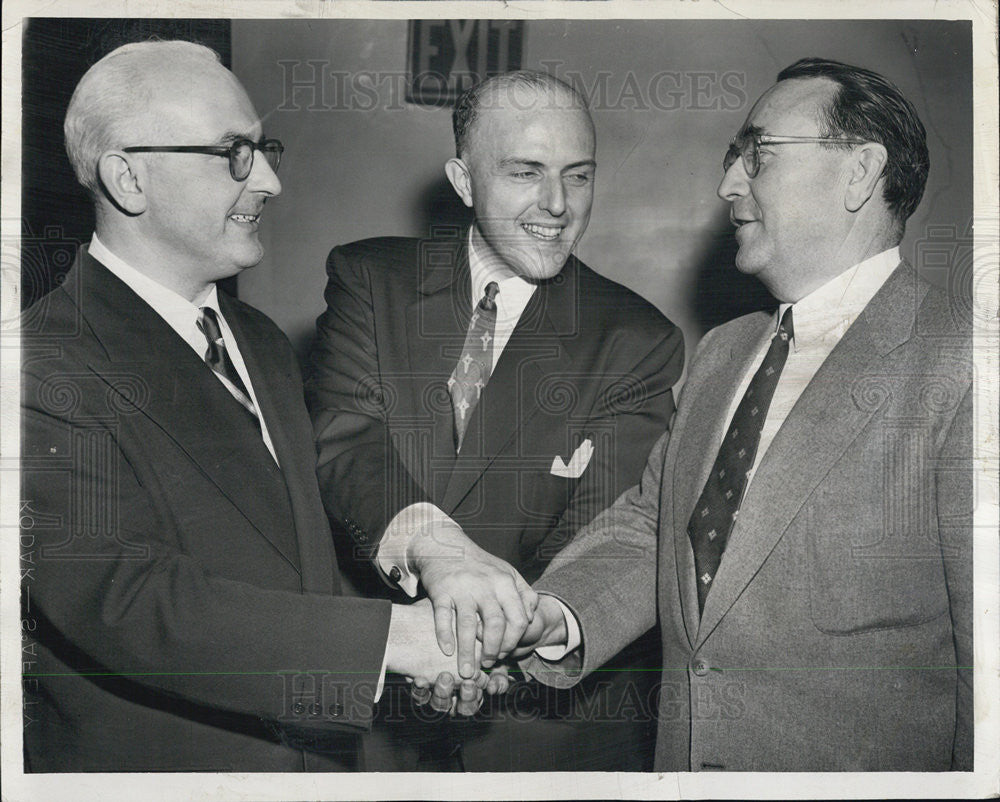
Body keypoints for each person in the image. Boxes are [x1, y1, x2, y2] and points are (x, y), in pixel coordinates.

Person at [20, 40, 494, 774]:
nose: (269, 179)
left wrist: (423, 655)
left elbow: (288, 558)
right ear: (128, 177)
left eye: (263, 147)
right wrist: (394, 642)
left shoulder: (259, 340)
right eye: (232, 153)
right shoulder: (38, 362)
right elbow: (129, 601)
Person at [515, 58, 973, 771]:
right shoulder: (726, 353)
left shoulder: (964, 363)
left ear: (859, 173)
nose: (728, 183)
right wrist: (554, 614)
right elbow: (655, 526)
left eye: (758, 154)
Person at [306, 71, 684, 770]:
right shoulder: (368, 279)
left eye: (579, 175)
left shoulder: (636, 338)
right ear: (462, 179)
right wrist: (439, 555)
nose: (557, 205)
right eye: (525, 172)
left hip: (531, 731)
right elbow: (347, 442)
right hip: (367, 716)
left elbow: (603, 533)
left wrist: (485, 649)